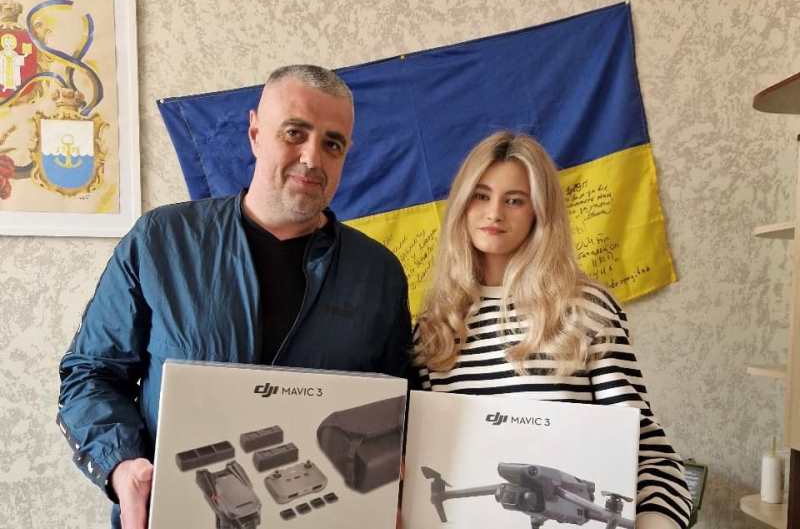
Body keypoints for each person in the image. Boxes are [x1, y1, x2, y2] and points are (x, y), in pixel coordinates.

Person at [57, 65, 412, 529]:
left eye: (332, 144)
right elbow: (90, 374)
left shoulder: (379, 274)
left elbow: (398, 403)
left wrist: (391, 485)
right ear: (255, 133)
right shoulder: (162, 240)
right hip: (181, 514)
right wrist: (121, 465)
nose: (312, 157)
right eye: (295, 133)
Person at [413, 132, 693, 529]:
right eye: (480, 195)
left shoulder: (586, 310)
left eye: (514, 200)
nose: (494, 213)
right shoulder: (435, 326)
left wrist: (656, 522)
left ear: (539, 212)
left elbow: (648, 455)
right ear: (460, 204)